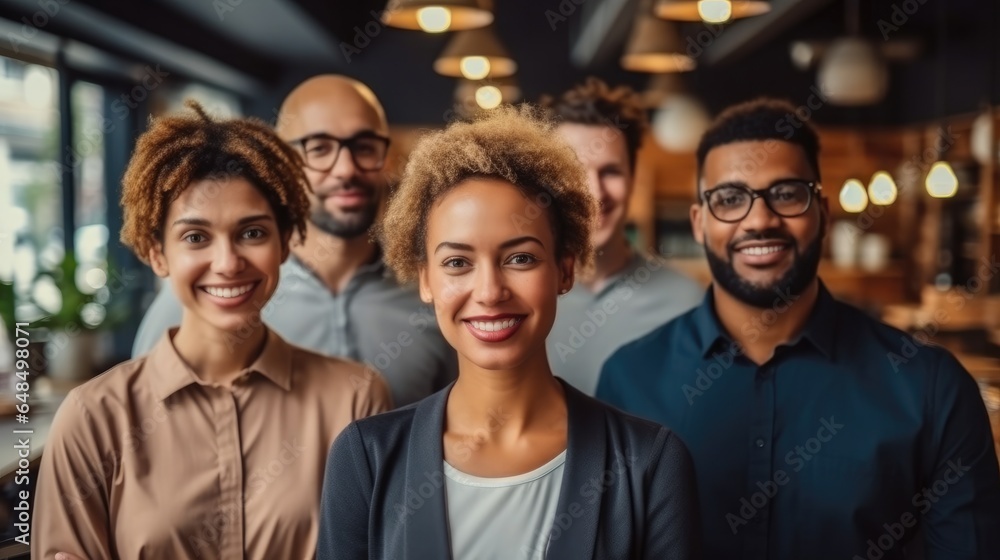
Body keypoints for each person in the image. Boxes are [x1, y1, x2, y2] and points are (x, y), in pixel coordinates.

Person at [597, 98, 1000, 559]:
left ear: (823, 212)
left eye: (786, 193)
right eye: (729, 199)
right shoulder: (628, 380)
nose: (760, 219)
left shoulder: (931, 388)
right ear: (699, 223)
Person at [316, 106, 701, 560]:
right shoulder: (366, 458)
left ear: (564, 269)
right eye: (457, 263)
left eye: (520, 258)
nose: (490, 292)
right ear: (425, 281)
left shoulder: (649, 464)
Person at [33, 102, 392, 560]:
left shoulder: (356, 400)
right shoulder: (92, 419)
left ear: (285, 242)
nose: (227, 263)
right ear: (156, 254)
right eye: (196, 237)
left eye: (253, 233)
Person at [132, 75, 457, 407]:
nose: (346, 169)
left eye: (364, 147)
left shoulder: (433, 291)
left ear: (386, 157)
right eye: (319, 148)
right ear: (283, 164)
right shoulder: (214, 294)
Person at [539, 78, 703, 395]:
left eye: (610, 171)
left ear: (633, 178)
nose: (595, 192)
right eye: (574, 172)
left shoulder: (688, 303)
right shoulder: (514, 295)